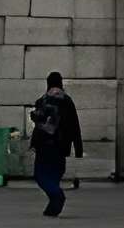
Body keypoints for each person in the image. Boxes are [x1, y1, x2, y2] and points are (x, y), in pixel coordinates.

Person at [28, 71, 84, 218]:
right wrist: (78, 148)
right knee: (56, 174)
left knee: (41, 175)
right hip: (60, 146)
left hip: (44, 145)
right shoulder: (67, 101)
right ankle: (52, 207)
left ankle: (57, 196)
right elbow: (74, 126)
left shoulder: (42, 100)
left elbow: (38, 125)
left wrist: (33, 143)